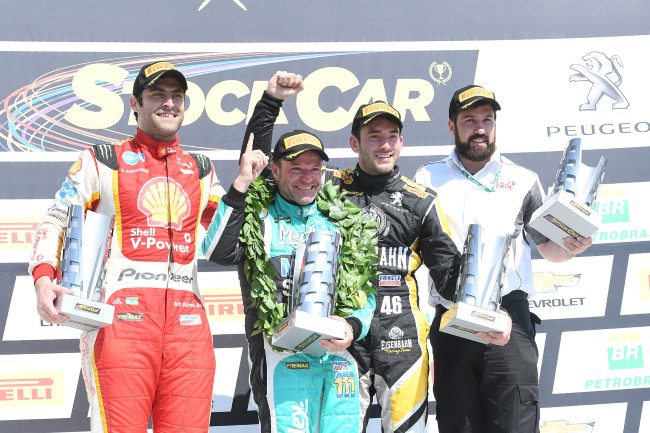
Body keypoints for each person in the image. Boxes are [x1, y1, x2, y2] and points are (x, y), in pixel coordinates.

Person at [243, 71, 462, 433]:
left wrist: (489, 312)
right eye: (373, 136)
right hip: (342, 342)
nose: (384, 145)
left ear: (402, 142)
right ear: (354, 142)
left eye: (391, 136)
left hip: (402, 342)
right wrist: (270, 103)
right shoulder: (329, 184)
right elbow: (262, 171)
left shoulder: (421, 202)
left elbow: (451, 278)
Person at [29, 61, 223, 433]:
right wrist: (42, 278)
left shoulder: (201, 168)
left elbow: (228, 239)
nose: (169, 104)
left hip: (189, 329)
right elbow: (56, 217)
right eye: (157, 95)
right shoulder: (103, 159)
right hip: (119, 325)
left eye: (176, 96)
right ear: (136, 104)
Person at [413, 84, 593, 433]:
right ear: (452, 127)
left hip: (509, 320)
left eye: (487, 120)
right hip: (452, 318)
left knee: (515, 426)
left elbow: (548, 248)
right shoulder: (427, 178)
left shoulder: (523, 179)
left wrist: (572, 245)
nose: (480, 128)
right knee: (458, 425)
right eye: (469, 120)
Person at [201, 119, 378, 432]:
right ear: (275, 170)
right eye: (296, 168)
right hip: (279, 359)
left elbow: (367, 290)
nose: (307, 178)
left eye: (314, 169)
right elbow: (217, 252)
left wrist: (353, 325)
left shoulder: (341, 219)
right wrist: (241, 185)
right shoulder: (259, 218)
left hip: (337, 361)